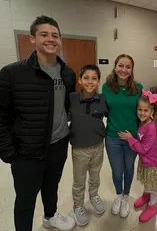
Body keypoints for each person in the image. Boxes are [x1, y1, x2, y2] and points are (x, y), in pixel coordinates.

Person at [0, 16, 76, 231]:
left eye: (55, 35)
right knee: (25, 201)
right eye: (44, 34)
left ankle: (50, 217)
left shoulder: (68, 73)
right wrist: (8, 151)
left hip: (59, 145)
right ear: (32, 38)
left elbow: (68, 105)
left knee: (51, 187)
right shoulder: (12, 73)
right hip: (27, 152)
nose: (50, 39)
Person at [102, 54, 143, 218]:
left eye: (128, 67)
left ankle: (126, 197)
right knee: (117, 171)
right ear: (115, 66)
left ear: (132, 69)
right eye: (121, 65)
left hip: (132, 138)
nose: (124, 70)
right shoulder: (107, 87)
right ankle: (118, 195)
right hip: (112, 137)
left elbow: (144, 113)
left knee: (128, 168)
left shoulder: (138, 88)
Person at [119, 90, 157, 223]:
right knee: (148, 182)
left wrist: (130, 138)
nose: (142, 113)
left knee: (153, 185)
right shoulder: (143, 123)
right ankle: (146, 195)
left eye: (146, 110)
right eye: (140, 109)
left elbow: (143, 149)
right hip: (146, 161)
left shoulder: (151, 128)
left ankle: (152, 205)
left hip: (153, 163)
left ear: (152, 111)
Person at [69, 64, 107, 226]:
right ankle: (78, 204)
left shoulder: (103, 100)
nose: (90, 81)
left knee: (95, 175)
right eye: (86, 78)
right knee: (79, 179)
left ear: (99, 82)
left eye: (94, 78)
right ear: (79, 80)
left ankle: (93, 195)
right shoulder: (72, 99)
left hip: (98, 147)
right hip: (79, 149)